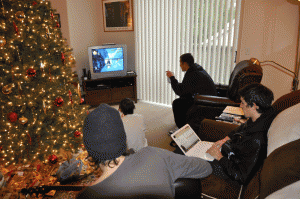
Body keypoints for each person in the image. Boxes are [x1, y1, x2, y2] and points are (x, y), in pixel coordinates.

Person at [77, 103, 212, 199]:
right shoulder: (153, 154)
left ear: (88, 149)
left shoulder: (87, 195)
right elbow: (205, 168)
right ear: (123, 139)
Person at [206, 83, 277, 185]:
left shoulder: (257, 140)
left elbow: (241, 176)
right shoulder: (261, 117)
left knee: (195, 161)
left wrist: (219, 157)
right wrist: (225, 139)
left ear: (254, 105)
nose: (240, 105)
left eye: (243, 103)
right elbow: (242, 127)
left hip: (232, 173)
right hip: (231, 156)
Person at [166, 53, 217, 129]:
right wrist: (173, 80)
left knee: (177, 103)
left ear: (185, 63)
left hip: (205, 102)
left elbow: (180, 92)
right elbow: (186, 87)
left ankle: (182, 128)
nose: (180, 65)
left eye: (180, 63)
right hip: (204, 98)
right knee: (183, 99)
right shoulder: (196, 69)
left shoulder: (193, 74)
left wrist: (172, 78)